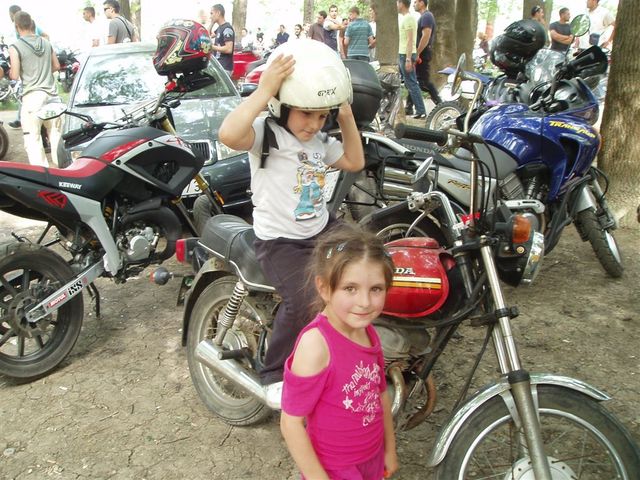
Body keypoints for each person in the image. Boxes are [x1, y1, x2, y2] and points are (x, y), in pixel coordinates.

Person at [217, 39, 365, 402]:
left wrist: (346, 118)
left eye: (322, 116)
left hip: (321, 228)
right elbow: (228, 134)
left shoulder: (319, 142)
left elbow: (354, 161)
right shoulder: (266, 134)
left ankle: (337, 344)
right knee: (303, 301)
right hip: (280, 240)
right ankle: (272, 373)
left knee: (366, 259)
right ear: (281, 106)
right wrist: (265, 89)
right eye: (306, 114)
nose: (314, 124)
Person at [280, 224, 399, 480]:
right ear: (324, 288)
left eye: (376, 289)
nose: (364, 302)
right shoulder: (316, 345)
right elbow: (291, 423)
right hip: (334, 470)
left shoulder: (368, 331)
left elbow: (380, 394)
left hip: (372, 458)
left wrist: (389, 449)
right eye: (350, 288)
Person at [8, 11, 61, 167]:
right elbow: (56, 66)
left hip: (32, 99)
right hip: (53, 96)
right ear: (32, 24)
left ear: (17, 26)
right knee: (57, 137)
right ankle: (62, 173)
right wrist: (43, 72)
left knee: (33, 140)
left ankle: (42, 177)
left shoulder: (15, 47)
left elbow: (15, 75)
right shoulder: (46, 43)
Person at [7, 4, 47, 130]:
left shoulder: (21, 33)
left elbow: (14, 75)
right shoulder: (30, 29)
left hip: (29, 68)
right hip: (44, 84)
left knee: (26, 91)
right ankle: (20, 118)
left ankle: (23, 119)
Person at [406, 0, 442, 114]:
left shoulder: (427, 16)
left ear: (422, 2)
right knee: (414, 79)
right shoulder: (424, 17)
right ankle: (408, 107)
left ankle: (440, 105)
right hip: (421, 52)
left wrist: (417, 53)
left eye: (416, 2)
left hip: (423, 53)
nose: (413, 4)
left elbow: (426, 36)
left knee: (423, 82)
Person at [397, 0, 426, 119]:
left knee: (412, 83)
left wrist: (408, 59)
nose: (396, 5)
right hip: (403, 54)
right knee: (409, 83)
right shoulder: (405, 18)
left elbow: (410, 40)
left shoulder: (409, 19)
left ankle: (421, 110)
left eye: (397, 3)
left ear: (402, 4)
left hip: (406, 54)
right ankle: (416, 109)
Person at [210, 4, 234, 77]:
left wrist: (212, 47)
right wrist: (212, 23)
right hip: (219, 66)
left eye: (211, 13)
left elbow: (229, 49)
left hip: (224, 68)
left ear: (218, 13)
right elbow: (207, 36)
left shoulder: (227, 28)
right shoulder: (220, 28)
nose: (210, 16)